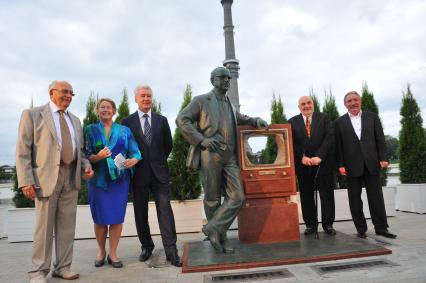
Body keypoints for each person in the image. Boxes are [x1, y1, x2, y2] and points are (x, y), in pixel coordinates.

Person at [176, 67, 268, 253]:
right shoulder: (201, 100)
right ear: (213, 80)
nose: (227, 80)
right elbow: (182, 119)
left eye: (228, 78)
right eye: (222, 77)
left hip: (230, 157)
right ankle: (219, 239)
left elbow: (240, 118)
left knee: (237, 197)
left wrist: (255, 119)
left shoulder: (230, 103)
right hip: (210, 154)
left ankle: (212, 228)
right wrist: (202, 140)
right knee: (212, 198)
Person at [16, 81, 94, 283]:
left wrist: (86, 165)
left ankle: (62, 267)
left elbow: (80, 150)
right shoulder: (32, 114)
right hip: (44, 179)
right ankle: (38, 272)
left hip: (70, 177)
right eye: (64, 92)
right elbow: (23, 150)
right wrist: (26, 181)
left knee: (67, 227)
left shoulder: (75, 120)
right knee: (44, 228)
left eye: (71, 93)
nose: (68, 96)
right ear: (51, 93)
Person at [121, 85, 182, 267]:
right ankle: (146, 246)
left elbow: (168, 145)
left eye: (149, 96)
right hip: (138, 174)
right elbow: (125, 147)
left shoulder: (162, 120)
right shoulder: (127, 122)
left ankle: (171, 251)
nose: (146, 98)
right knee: (141, 213)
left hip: (159, 174)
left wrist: (157, 161)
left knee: (165, 212)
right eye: (143, 96)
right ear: (136, 99)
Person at [84, 98, 141, 268]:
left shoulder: (124, 131)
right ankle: (101, 252)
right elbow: (85, 155)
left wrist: (133, 161)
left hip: (119, 181)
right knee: (100, 219)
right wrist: (98, 156)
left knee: (116, 218)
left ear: (114, 111)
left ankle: (113, 254)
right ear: (97, 111)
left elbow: (136, 152)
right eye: (102, 107)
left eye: (109, 107)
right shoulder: (90, 130)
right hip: (98, 181)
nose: (105, 110)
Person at [335, 91, 397, 239]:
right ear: (345, 104)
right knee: (355, 200)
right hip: (351, 166)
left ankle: (381, 228)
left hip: (372, 163)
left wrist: (383, 157)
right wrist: (340, 164)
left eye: (355, 100)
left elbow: (380, 139)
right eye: (349, 101)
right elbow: (338, 146)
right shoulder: (339, 122)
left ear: (360, 101)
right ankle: (361, 229)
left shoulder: (372, 117)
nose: (353, 103)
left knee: (376, 197)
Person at [288, 96, 336, 236]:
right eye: (303, 104)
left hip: (323, 163)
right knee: (306, 196)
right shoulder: (292, 122)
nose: (306, 106)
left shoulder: (324, 118)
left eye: (309, 103)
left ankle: (328, 225)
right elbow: (291, 143)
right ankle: (311, 226)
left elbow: (329, 137)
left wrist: (319, 156)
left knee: (326, 195)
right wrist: (301, 158)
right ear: (299, 107)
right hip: (303, 166)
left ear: (313, 104)